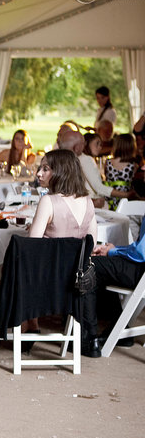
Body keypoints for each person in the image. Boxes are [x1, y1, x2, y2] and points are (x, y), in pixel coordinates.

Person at [25, 149, 99, 339]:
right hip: (76, 279)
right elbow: (91, 243)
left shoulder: (48, 201)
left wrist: (34, 227)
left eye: (45, 169)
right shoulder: (88, 202)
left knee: (10, 267)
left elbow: (32, 247)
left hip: (47, 278)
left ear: (61, 171)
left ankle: (29, 324)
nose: (38, 174)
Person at [84, 214, 145, 356]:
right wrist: (115, 250)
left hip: (141, 272)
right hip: (140, 268)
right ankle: (119, 328)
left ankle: (89, 338)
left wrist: (113, 251)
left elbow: (142, 253)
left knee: (90, 265)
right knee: (102, 266)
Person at [76, 131, 132, 207]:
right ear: (86, 143)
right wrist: (126, 195)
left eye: (101, 145)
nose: (100, 147)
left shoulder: (83, 158)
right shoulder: (86, 159)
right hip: (93, 202)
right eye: (97, 144)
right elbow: (98, 188)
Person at [104, 133, 138, 210]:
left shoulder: (108, 162)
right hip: (125, 200)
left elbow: (106, 177)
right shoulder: (133, 165)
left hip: (110, 198)